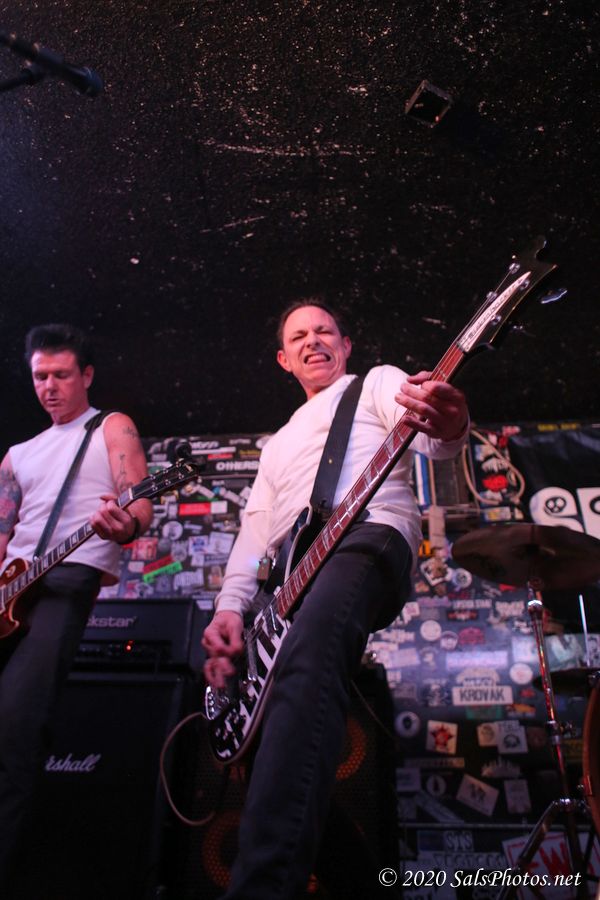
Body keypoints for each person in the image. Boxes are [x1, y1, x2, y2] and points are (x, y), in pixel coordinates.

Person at [201, 301, 470, 900]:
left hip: (368, 534)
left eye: (324, 331)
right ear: (284, 359)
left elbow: (432, 434)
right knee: (269, 755)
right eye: (298, 335)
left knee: (310, 655)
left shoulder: (373, 383)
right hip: (286, 582)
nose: (313, 340)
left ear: (345, 346)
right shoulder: (277, 445)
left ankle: (259, 888)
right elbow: (256, 531)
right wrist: (231, 608)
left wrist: (450, 423)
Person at [0, 323, 153, 889]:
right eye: (40, 376)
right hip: (9, 590)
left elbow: (137, 502)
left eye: (61, 375)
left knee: (15, 729)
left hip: (66, 578)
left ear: (86, 375)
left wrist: (125, 523)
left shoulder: (110, 426)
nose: (49, 386)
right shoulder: (16, 456)